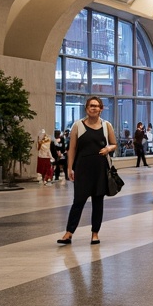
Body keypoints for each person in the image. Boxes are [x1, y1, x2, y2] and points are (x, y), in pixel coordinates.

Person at [59, 96, 118, 246]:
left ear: (101, 109)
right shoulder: (77, 126)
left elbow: (114, 144)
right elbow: (72, 149)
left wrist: (108, 149)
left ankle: (95, 233)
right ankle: (69, 233)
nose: (93, 108)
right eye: (91, 106)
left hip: (100, 168)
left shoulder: (106, 126)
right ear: (86, 108)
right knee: (78, 201)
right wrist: (69, 168)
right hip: (82, 168)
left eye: (96, 106)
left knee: (98, 202)